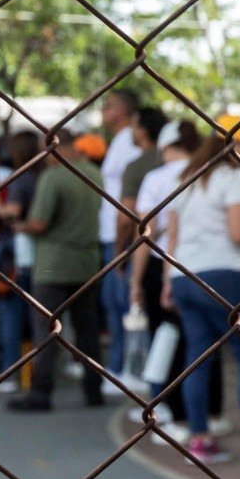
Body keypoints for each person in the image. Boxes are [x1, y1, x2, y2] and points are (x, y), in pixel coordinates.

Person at [161, 115, 240, 465]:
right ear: (237, 145)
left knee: (197, 357)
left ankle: (198, 440)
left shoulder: (186, 179)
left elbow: (172, 237)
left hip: (185, 275)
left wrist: (168, 280)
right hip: (225, 275)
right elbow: (239, 234)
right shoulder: (234, 177)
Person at [130, 119, 224, 443]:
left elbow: (145, 233)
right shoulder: (211, 171)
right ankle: (212, 412)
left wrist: (136, 280)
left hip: (165, 266)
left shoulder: (157, 179)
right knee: (208, 341)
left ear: (165, 147)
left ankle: (173, 413)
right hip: (208, 265)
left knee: (167, 339)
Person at [7, 128, 105, 411]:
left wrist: (20, 226)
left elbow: (39, 223)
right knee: (87, 329)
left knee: (47, 328)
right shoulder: (94, 174)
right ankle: (93, 389)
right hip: (87, 261)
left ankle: (41, 391)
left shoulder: (53, 177)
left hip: (53, 263)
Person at [110, 106, 168, 395]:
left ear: (143, 130)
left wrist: (120, 250)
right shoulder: (175, 162)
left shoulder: (137, 166)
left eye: (133, 126)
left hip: (145, 250)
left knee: (134, 311)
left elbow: (126, 216)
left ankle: (138, 373)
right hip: (177, 253)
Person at [0, 131, 42, 389]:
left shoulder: (22, 179)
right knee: (38, 314)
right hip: (42, 252)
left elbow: (12, 213)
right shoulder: (45, 175)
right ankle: (37, 370)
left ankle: (10, 370)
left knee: (11, 311)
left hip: (19, 252)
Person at [97, 89, 142, 379]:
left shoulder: (128, 141)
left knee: (123, 302)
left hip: (121, 234)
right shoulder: (118, 141)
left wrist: (123, 235)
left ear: (123, 111)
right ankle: (117, 366)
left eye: (109, 105)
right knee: (113, 302)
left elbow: (131, 193)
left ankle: (128, 368)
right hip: (110, 233)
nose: (102, 110)